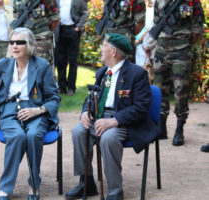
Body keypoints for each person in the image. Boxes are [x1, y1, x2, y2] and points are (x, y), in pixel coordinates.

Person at [65, 33, 158, 200]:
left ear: (113, 52)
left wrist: (114, 120)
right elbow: (90, 97)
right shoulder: (102, 73)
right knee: (78, 132)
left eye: (104, 47)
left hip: (124, 122)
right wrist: (85, 112)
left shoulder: (137, 74)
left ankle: (115, 191)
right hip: (100, 118)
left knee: (108, 138)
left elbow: (141, 108)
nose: (101, 50)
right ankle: (86, 182)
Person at [0, 27, 60, 200]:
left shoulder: (42, 66)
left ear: (30, 45)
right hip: (9, 109)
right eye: (12, 42)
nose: (15, 46)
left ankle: (34, 184)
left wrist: (38, 110)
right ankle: (5, 186)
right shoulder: (2, 64)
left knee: (32, 136)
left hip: (36, 109)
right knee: (17, 137)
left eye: (20, 42)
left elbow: (54, 97)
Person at [149, 0, 204, 145]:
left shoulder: (193, 2)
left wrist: (185, 45)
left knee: (181, 92)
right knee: (160, 89)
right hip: (161, 51)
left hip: (181, 52)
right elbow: (156, 21)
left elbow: (198, 28)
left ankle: (179, 130)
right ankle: (161, 128)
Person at [12, 0, 60, 75]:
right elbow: (15, 17)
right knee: (24, 72)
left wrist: (44, 33)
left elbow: (55, 19)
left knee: (43, 72)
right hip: (24, 42)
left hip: (42, 42)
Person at [55, 0, 89, 96]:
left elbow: (85, 13)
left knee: (72, 61)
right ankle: (61, 86)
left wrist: (78, 27)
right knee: (61, 61)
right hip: (60, 31)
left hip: (73, 30)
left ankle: (71, 87)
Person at [135, 0, 155, 66]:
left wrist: (139, 40)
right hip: (136, 43)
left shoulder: (151, 8)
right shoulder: (137, 5)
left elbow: (149, 27)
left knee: (143, 68)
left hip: (144, 44)